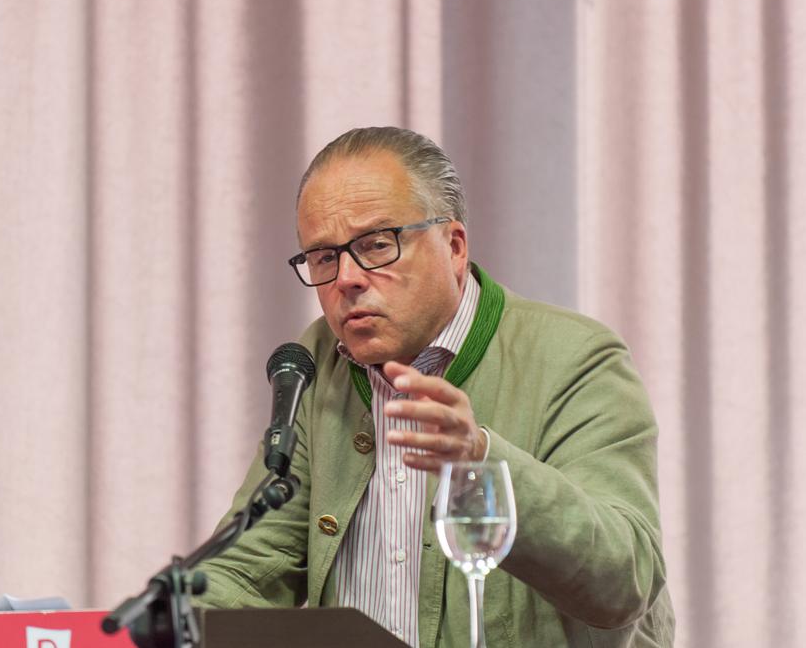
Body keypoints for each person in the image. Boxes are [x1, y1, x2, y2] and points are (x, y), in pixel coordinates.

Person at [197, 127, 674, 647]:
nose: (346, 278)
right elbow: (250, 569)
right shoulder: (318, 362)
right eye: (324, 257)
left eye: (377, 244)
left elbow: (625, 579)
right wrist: (164, 625)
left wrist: (482, 462)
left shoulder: (575, 356)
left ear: (454, 246)